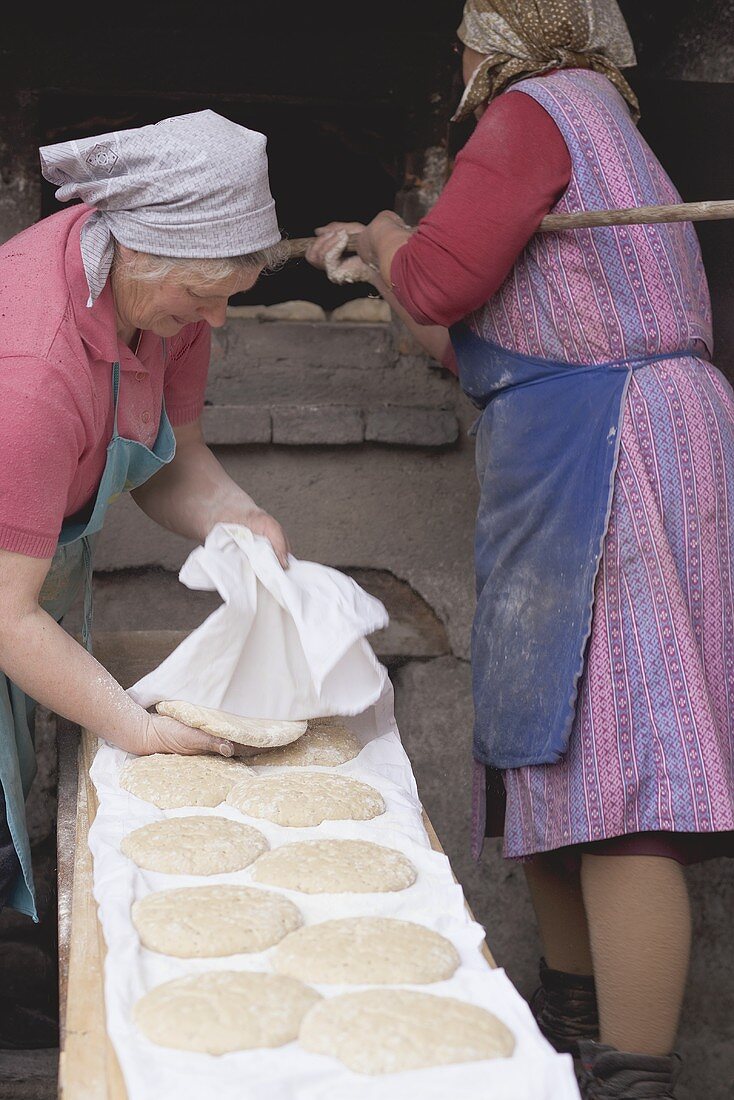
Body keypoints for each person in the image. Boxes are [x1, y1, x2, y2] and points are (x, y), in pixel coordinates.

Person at [306, 2, 734, 1097]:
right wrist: (376, 261)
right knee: (545, 756)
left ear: (500, 39)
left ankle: (630, 1073)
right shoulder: (601, 125)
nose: (457, 60)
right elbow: (466, 329)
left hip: (615, 448)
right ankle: (567, 1036)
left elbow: (441, 282)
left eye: (462, 40)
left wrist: (391, 231)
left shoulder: (534, 110)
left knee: (620, 767)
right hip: (571, 441)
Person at [0, 109, 291, 933]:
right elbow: (4, 613)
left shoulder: (172, 304)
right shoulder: (30, 374)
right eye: (205, 297)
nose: (219, 321)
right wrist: (135, 726)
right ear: (133, 251)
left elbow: (172, 463)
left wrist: (237, 521)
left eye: (232, 298)